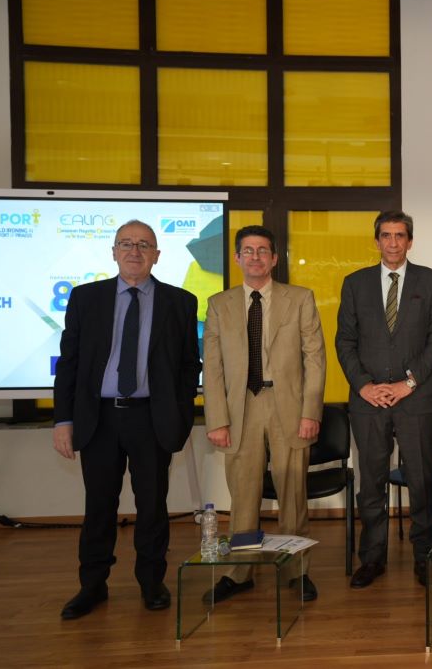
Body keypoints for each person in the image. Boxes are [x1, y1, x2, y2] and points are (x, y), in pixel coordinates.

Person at [53, 220, 201, 620]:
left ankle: (152, 582)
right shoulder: (86, 298)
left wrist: (180, 414)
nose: (135, 251)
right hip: (99, 418)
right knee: (98, 506)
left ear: (157, 255)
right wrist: (63, 419)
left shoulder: (181, 302)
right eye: (127, 244)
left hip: (151, 418)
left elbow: (189, 365)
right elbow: (70, 362)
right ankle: (92, 585)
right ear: (114, 252)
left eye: (144, 245)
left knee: (152, 505)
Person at [202, 225, 326, 603]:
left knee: (293, 496)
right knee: (243, 498)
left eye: (262, 251)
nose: (255, 257)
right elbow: (213, 367)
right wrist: (217, 419)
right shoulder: (219, 304)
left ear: (274, 259)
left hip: (289, 406)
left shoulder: (300, 298)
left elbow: (315, 359)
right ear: (237, 258)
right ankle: (240, 572)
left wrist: (311, 412)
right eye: (248, 251)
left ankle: (296, 571)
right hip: (240, 409)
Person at [335, 210, 432, 589]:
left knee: (420, 481)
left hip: (417, 399)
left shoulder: (431, 281)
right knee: (371, 482)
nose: (393, 242)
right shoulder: (355, 283)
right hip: (368, 401)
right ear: (377, 240)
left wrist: (408, 383)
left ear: (410, 241)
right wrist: (364, 385)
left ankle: (425, 556)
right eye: (386, 235)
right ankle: (372, 558)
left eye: (400, 235)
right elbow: (345, 341)